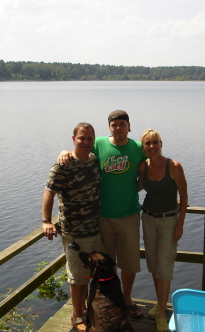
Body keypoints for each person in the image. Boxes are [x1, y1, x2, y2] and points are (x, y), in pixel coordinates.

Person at [58, 110, 146, 319]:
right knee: (107, 263)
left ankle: (126, 299)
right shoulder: (97, 143)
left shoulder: (137, 148)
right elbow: (79, 149)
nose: (118, 128)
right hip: (102, 217)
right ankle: (111, 299)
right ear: (109, 127)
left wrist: (171, 196)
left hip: (129, 215)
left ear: (129, 126)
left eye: (122, 124)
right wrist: (63, 152)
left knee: (130, 263)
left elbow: (154, 165)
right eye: (114, 124)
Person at [42, 122, 101, 332]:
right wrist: (46, 221)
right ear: (73, 139)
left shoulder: (94, 159)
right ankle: (77, 316)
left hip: (95, 228)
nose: (85, 142)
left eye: (89, 139)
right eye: (81, 138)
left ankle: (86, 309)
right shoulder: (63, 165)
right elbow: (49, 191)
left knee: (91, 273)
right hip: (75, 232)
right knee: (78, 277)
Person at [137, 129, 188, 332]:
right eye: (148, 143)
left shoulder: (174, 166)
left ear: (161, 143)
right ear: (144, 147)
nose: (152, 146)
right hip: (148, 218)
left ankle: (161, 314)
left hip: (168, 221)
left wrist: (180, 224)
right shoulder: (143, 166)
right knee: (154, 265)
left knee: (165, 267)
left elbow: (184, 196)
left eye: (155, 142)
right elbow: (137, 187)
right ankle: (160, 302)